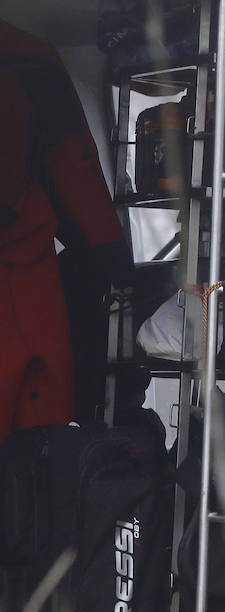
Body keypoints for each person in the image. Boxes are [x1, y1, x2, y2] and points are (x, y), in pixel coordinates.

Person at [1, 21, 134, 443]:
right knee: (38, 438)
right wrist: (110, 256)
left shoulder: (29, 57)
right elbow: (72, 163)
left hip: (22, 265)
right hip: (21, 269)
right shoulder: (29, 56)